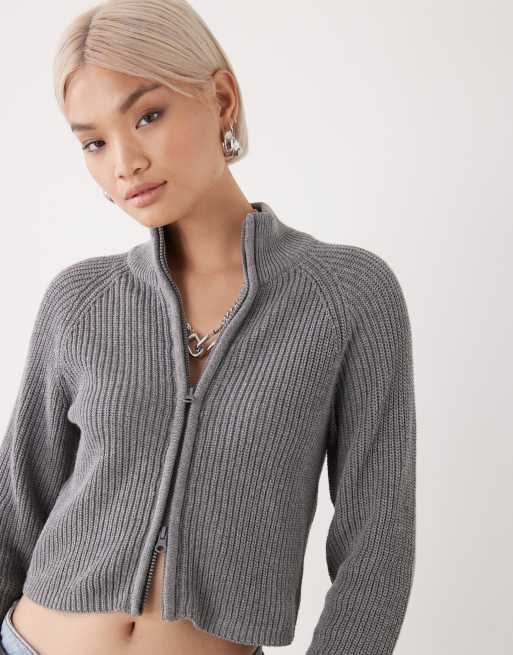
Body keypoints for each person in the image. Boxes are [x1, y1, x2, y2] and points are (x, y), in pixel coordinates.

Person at [0, 1, 417, 654]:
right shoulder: (80, 300)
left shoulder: (346, 296)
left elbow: (377, 542)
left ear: (222, 99)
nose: (125, 162)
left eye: (148, 115)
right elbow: (16, 513)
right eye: (94, 142)